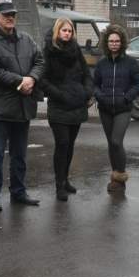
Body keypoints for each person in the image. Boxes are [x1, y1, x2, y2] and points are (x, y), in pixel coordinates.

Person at [0, 0, 45, 211]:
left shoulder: (26, 39)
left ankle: (18, 192)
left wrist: (32, 79)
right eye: (6, 15)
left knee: (19, 155)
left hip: (23, 107)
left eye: (13, 15)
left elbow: (40, 61)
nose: (10, 18)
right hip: (0, 108)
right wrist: (20, 82)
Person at [40, 18, 93, 202]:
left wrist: (86, 92)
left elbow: (87, 74)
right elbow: (43, 79)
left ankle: (66, 179)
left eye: (70, 31)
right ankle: (59, 185)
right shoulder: (49, 51)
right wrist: (59, 95)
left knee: (70, 145)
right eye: (64, 30)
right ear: (57, 31)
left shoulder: (76, 50)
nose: (67, 33)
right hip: (59, 106)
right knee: (62, 144)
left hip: (77, 105)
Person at [92, 25, 139, 193]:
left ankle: (120, 175)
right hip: (105, 108)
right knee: (111, 144)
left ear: (122, 43)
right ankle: (116, 179)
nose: (114, 44)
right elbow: (94, 84)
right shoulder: (102, 63)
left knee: (116, 141)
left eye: (117, 41)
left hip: (123, 109)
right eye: (111, 41)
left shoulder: (130, 62)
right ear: (106, 43)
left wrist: (126, 97)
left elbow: (138, 84)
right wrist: (100, 96)